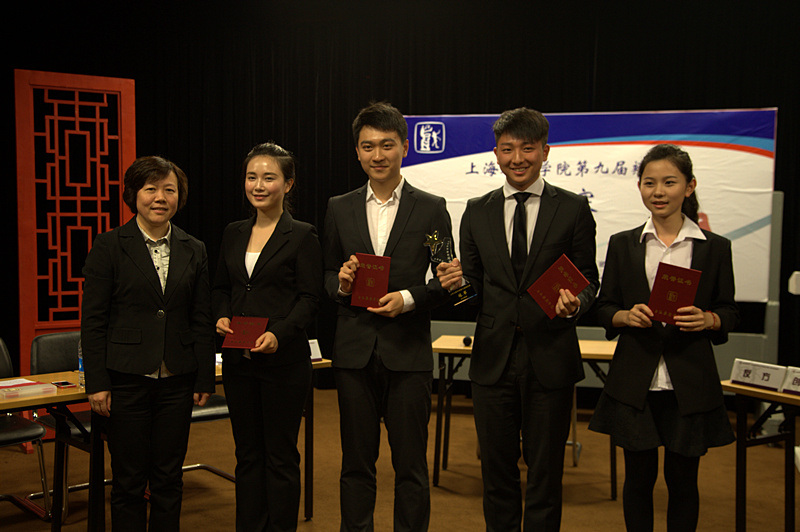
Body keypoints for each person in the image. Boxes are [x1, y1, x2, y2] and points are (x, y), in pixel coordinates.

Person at [437, 107, 599, 531]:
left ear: (545, 151)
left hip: (551, 352)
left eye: (527, 148)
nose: (517, 158)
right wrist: (456, 286)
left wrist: (576, 304)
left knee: (546, 472)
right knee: (496, 471)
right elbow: (472, 293)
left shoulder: (573, 208)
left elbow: (589, 280)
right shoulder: (477, 210)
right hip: (494, 358)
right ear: (495, 153)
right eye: (507, 149)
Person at [588, 144, 737, 531]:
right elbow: (604, 306)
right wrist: (624, 315)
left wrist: (709, 319)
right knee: (638, 481)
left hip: (689, 382)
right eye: (649, 183)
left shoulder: (714, 248)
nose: (658, 191)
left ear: (689, 186)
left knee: (683, 482)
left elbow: (729, 309)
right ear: (639, 186)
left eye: (669, 182)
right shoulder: (623, 243)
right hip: (635, 381)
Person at [322, 101, 452, 531]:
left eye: (387, 145)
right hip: (354, 353)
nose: (377, 155)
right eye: (368, 146)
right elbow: (327, 275)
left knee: (411, 466)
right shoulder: (339, 207)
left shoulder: (431, 208)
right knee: (356, 463)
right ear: (357, 152)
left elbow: (449, 279)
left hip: (408, 352)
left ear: (405, 148)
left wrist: (409, 298)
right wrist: (342, 285)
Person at [81, 156, 216, 531]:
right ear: (133, 195)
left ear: (179, 197)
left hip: (177, 379)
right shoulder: (109, 245)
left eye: (169, 190)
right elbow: (93, 321)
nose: (160, 197)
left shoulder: (194, 247)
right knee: (128, 480)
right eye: (151, 189)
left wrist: (204, 377)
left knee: (169, 477)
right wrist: (97, 382)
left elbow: (201, 317)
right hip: (126, 379)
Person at [212, 142, 323, 531]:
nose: (258, 185)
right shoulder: (233, 232)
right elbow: (221, 288)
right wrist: (221, 315)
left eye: (269, 178)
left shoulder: (302, 235)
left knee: (279, 456)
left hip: (283, 364)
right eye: (251, 177)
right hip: (238, 362)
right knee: (246, 455)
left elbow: (309, 299)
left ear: (288, 184)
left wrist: (279, 333)